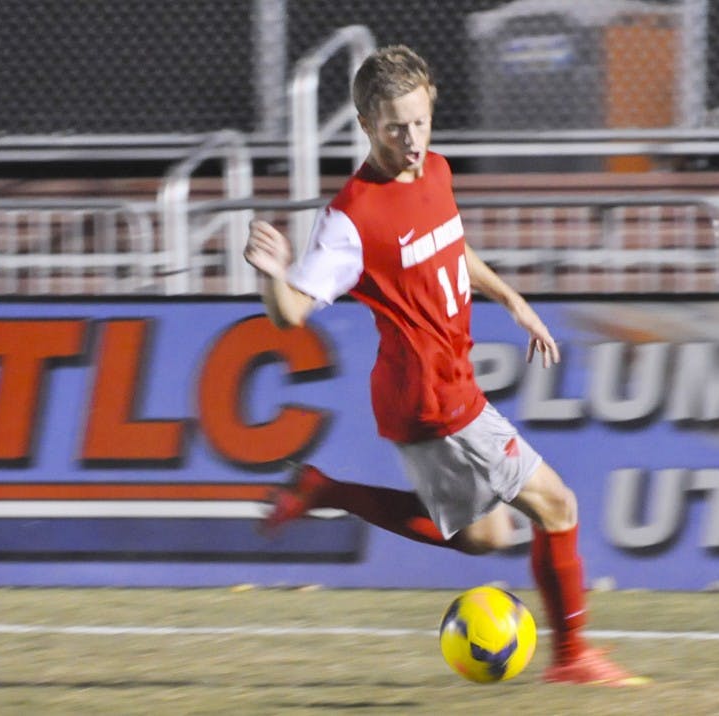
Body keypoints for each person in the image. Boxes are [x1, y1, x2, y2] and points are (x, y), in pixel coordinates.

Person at [244, 44, 647, 687]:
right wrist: (271, 275)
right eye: (395, 127)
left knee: (487, 538)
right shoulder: (351, 219)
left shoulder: (435, 171)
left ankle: (325, 489)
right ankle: (574, 658)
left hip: (429, 389)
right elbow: (291, 312)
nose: (411, 139)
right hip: (435, 396)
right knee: (559, 506)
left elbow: (451, 245)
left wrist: (513, 300)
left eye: (421, 123)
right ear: (367, 124)